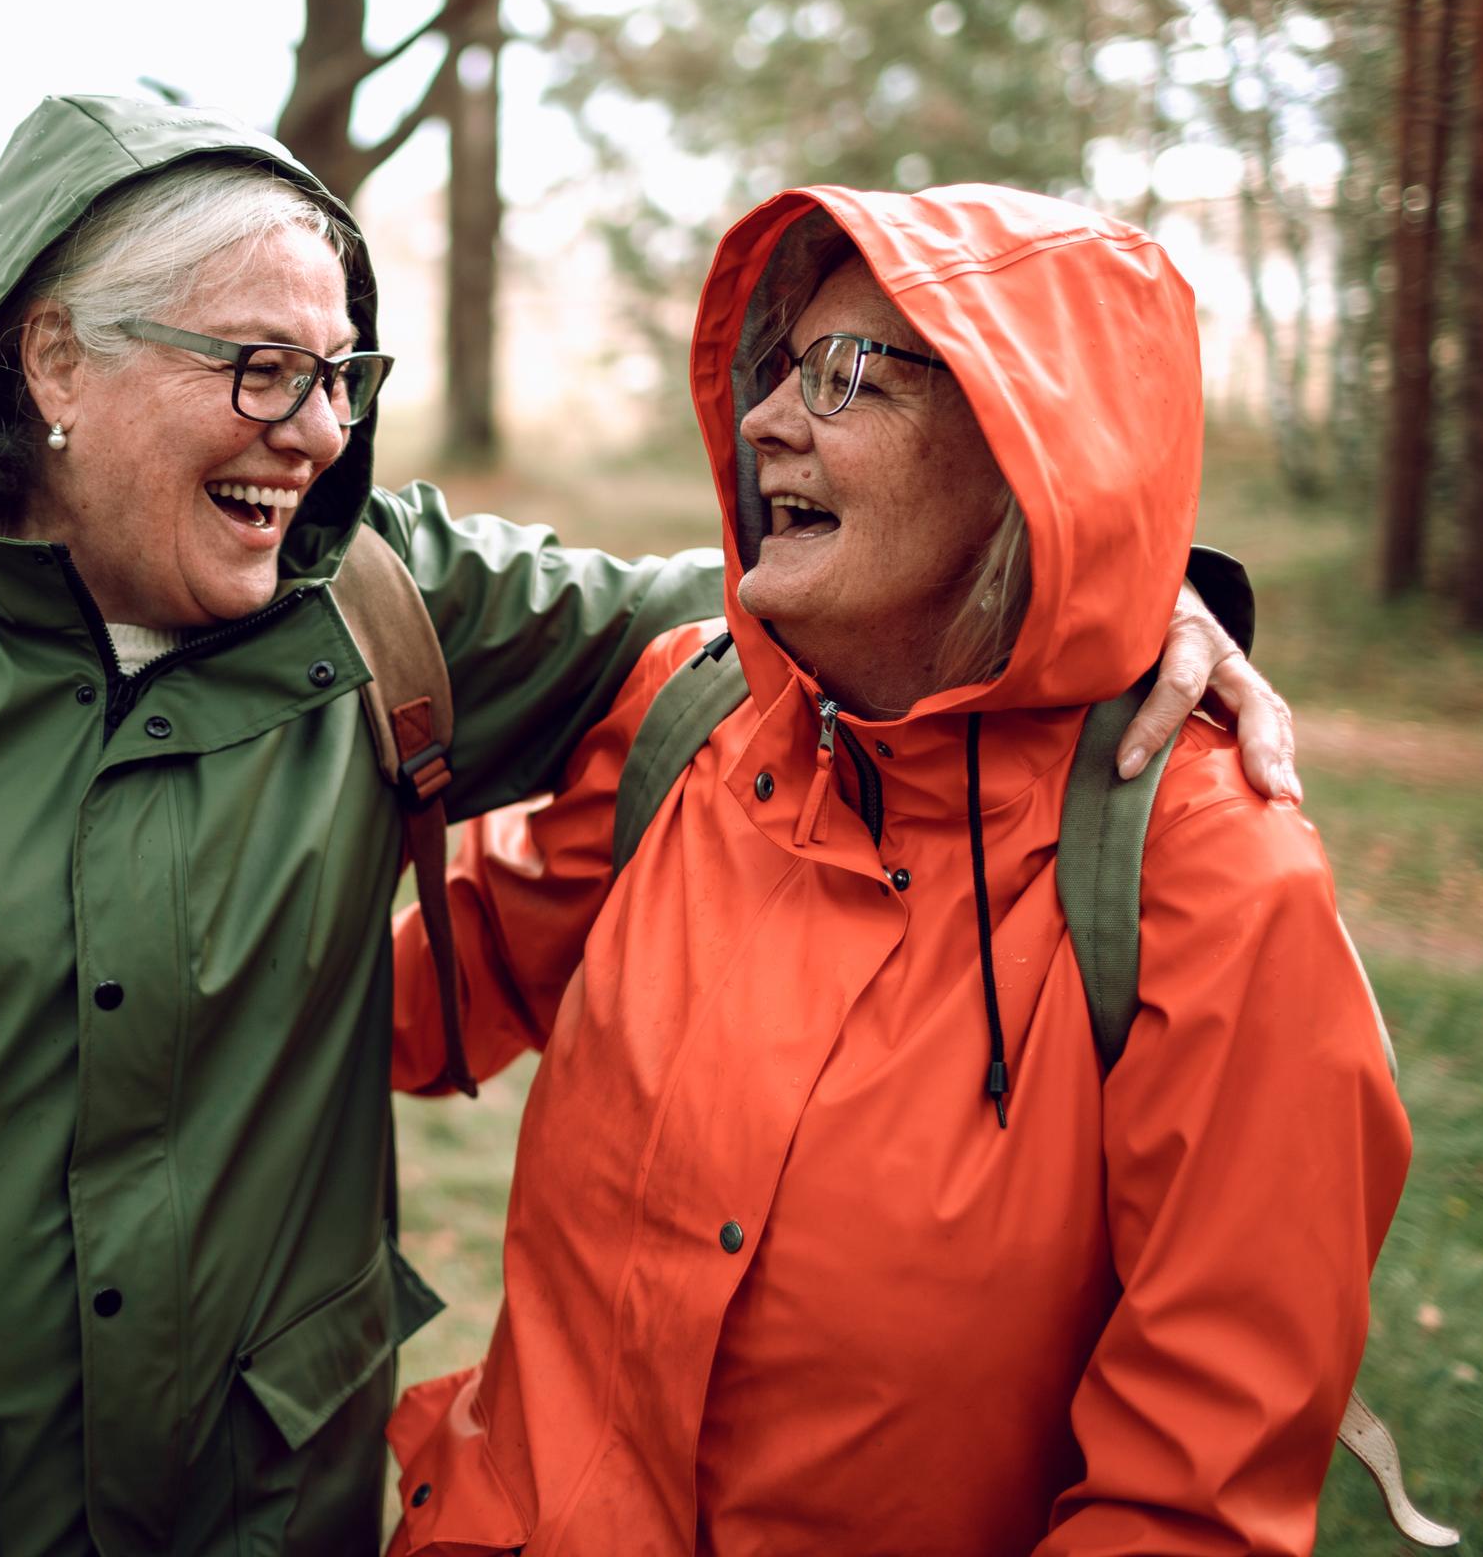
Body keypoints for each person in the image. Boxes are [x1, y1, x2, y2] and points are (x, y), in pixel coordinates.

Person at [0, 101, 1289, 1557]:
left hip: (263, 1507)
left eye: (342, 373)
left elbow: (800, 597)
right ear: (54, 358)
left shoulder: (381, 608)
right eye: (258, 368)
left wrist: (1130, 588)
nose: (317, 431)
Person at [385, 185, 1407, 1556]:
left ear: (1036, 450)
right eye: (780, 369)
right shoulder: (684, 718)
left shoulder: (1214, 888)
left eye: (848, 374)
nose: (765, 423)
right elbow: (408, 1002)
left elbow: (1187, 1510)